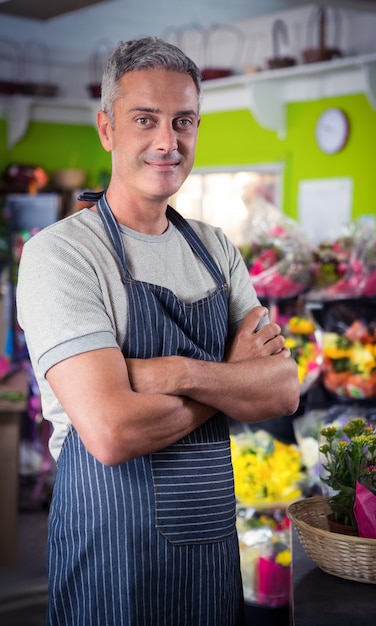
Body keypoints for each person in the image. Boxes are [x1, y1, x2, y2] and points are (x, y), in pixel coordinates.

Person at [16, 36, 300, 626]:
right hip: (110, 551)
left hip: (211, 550)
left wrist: (176, 373)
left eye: (183, 121)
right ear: (106, 129)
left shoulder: (214, 247)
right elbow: (112, 433)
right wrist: (228, 377)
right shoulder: (61, 255)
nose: (168, 141)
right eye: (145, 119)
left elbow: (280, 391)